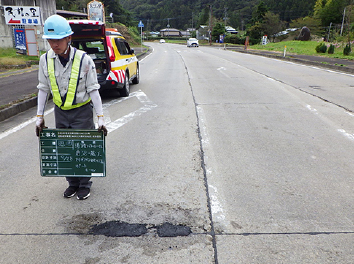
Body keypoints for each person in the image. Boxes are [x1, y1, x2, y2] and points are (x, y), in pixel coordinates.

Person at [35, 14, 107, 200]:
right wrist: (39, 116)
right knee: (65, 148)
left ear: (69, 38)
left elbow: (93, 90)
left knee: (82, 148)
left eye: (58, 40)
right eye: (50, 40)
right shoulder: (45, 60)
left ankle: (84, 184)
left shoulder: (84, 60)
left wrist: (100, 118)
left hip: (82, 111)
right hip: (60, 112)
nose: (54, 44)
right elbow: (43, 89)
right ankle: (72, 183)